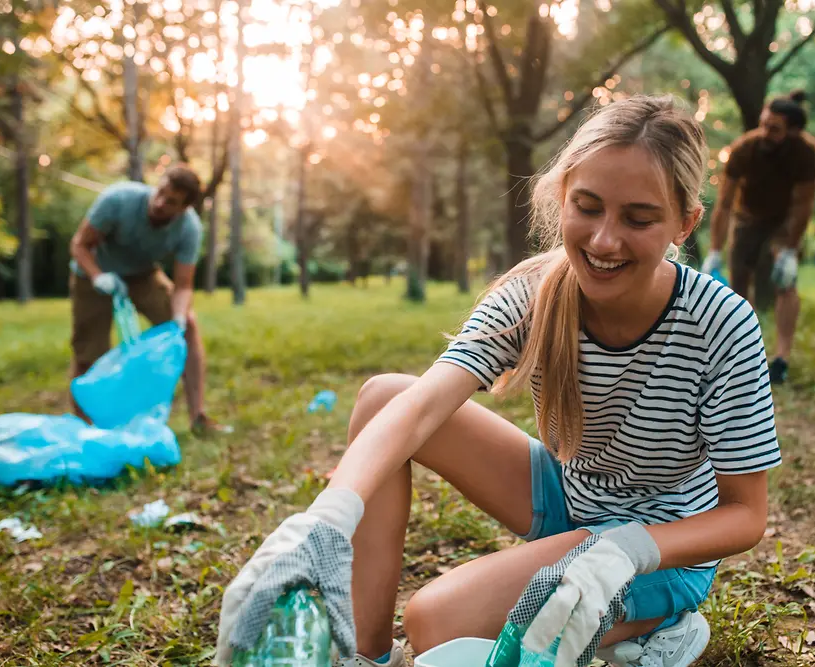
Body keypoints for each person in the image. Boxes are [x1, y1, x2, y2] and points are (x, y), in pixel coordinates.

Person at [216, 95, 780, 667]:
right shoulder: (535, 291)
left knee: (435, 622)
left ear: (685, 222)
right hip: (571, 495)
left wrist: (629, 549)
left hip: (661, 547)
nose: (605, 241)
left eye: (638, 219)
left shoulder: (720, 323)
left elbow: (745, 516)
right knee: (385, 396)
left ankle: (658, 626)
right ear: (562, 198)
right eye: (587, 207)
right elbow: (422, 406)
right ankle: (366, 657)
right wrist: (329, 517)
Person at [68, 164, 228, 434]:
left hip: (142, 275)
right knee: (89, 353)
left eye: (172, 202)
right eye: (161, 191)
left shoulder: (189, 229)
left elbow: (184, 284)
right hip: (93, 272)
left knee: (188, 326)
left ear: (184, 208)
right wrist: (98, 277)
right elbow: (80, 244)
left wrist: (177, 318)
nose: (160, 202)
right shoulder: (118, 199)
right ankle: (86, 428)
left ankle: (198, 417)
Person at [702, 90, 815, 385]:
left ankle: (781, 359)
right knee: (738, 290)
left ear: (794, 131)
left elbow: (803, 204)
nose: (765, 132)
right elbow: (725, 203)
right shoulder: (745, 148)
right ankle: (741, 358)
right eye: (763, 124)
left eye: (774, 128)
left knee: (785, 282)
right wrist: (715, 250)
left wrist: (791, 250)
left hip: (782, 222)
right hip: (746, 219)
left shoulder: (806, 152)